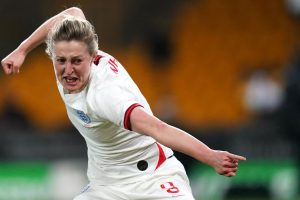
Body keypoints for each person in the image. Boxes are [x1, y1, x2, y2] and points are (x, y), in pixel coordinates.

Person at [1, 7, 246, 200]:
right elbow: (71, 13)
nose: (68, 70)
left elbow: (158, 128)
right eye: (61, 60)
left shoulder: (106, 95)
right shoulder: (72, 53)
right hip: (106, 186)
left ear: (93, 56)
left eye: (76, 61)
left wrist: (210, 156)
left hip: (152, 178)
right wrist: (22, 50)